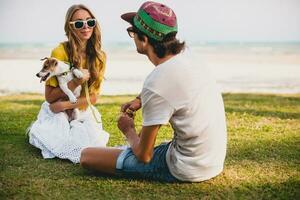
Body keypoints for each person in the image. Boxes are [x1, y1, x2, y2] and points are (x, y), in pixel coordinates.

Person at [80, 1, 227, 182]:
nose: (132, 37)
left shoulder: (157, 81)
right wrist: (139, 100)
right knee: (116, 150)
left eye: (132, 32)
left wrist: (128, 130)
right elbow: (171, 86)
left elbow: (144, 156)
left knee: (87, 156)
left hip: (185, 167)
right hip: (211, 161)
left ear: (144, 39)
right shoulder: (189, 56)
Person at [28, 4, 109, 163]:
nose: (86, 27)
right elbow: (50, 98)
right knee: (57, 136)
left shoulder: (100, 56)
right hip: (57, 109)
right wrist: (75, 83)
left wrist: (65, 106)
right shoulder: (59, 53)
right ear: (70, 27)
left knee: (90, 141)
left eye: (89, 22)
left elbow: (93, 98)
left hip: (79, 107)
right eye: (79, 23)